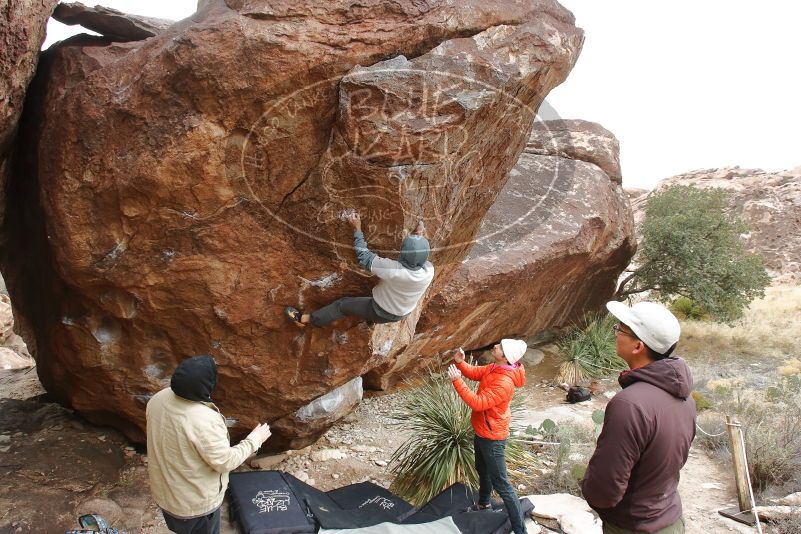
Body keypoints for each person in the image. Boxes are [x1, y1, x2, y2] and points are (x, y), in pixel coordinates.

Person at [581, 301, 696, 534]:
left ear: (637, 347)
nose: (616, 334)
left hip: (633, 526)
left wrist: (589, 489)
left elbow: (605, 487)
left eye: (620, 330)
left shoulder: (629, 404)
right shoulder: (685, 398)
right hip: (668, 519)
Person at [146, 355, 272, 534]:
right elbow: (224, 462)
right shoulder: (204, 420)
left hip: (166, 495)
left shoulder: (158, 399)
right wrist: (255, 440)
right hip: (195, 506)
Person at [284, 213, 434, 327]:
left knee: (342, 305)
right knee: (371, 304)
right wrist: (418, 237)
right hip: (403, 312)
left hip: (381, 310)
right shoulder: (429, 270)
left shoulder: (394, 270)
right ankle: (370, 319)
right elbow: (417, 256)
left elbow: (364, 257)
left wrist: (357, 229)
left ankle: (306, 320)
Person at [447, 339, 529, 534]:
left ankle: (520, 530)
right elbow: (476, 373)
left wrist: (457, 381)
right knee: (482, 469)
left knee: (503, 485)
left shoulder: (504, 382)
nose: (495, 347)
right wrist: (461, 363)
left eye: (500, 347)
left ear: (506, 356)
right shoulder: (496, 368)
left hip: (493, 438)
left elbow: (478, 403)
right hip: (483, 430)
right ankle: (484, 503)